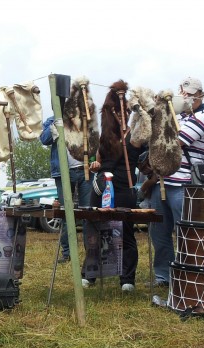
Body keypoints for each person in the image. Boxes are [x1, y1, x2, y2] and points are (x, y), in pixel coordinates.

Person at [149, 77, 204, 287]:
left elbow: (173, 142)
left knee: (185, 232)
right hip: (162, 181)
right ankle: (164, 276)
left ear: (200, 94)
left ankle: (188, 274)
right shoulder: (179, 115)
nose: (185, 97)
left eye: (190, 93)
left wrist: (162, 114)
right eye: (183, 93)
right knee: (159, 233)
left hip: (185, 184)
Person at [86, 81, 146, 291]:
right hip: (102, 186)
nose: (122, 116)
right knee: (94, 230)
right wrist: (96, 166)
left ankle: (127, 279)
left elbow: (145, 160)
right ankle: (90, 274)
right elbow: (100, 162)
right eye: (118, 113)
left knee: (126, 233)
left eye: (125, 112)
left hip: (124, 188)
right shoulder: (106, 136)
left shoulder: (136, 135)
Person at [40, 116, 92, 263]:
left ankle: (91, 253)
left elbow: (95, 140)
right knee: (65, 214)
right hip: (63, 172)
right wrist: (53, 129)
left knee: (88, 212)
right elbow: (44, 139)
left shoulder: (84, 116)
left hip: (85, 169)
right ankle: (67, 253)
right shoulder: (52, 120)